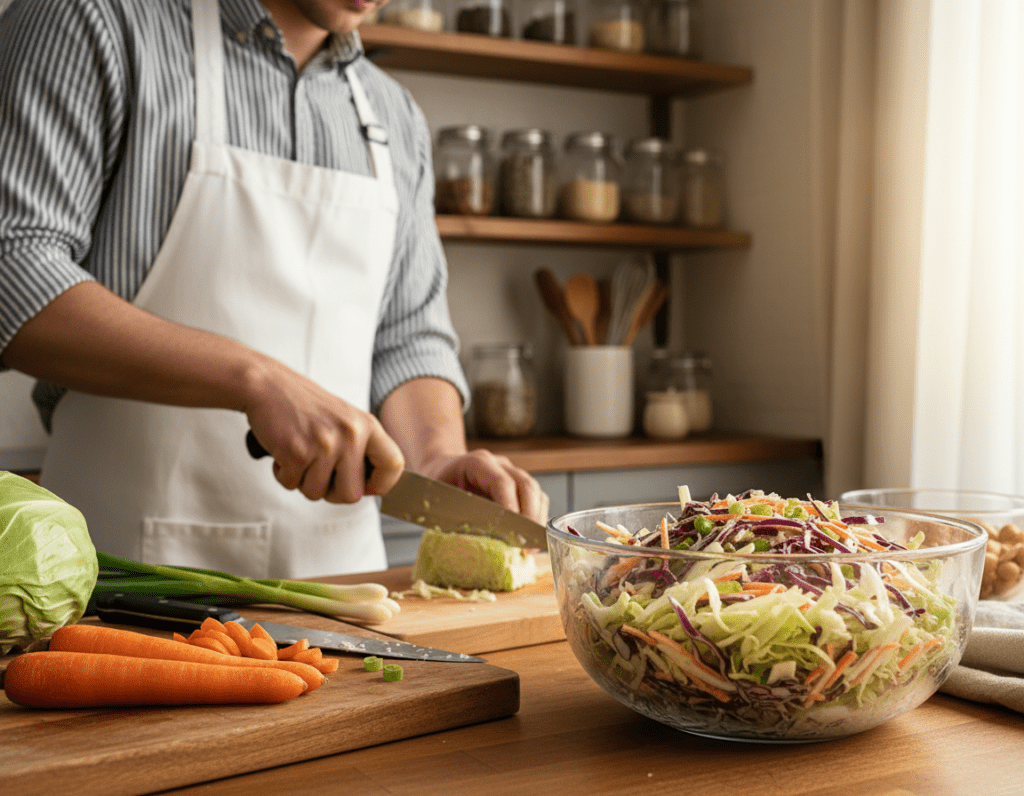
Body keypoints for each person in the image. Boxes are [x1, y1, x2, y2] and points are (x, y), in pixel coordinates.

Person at [0, 0, 549, 579]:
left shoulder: (394, 115)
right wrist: (256, 381)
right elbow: (13, 269)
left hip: (344, 595)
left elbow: (409, 334)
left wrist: (436, 457)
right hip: (121, 587)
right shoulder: (91, 23)